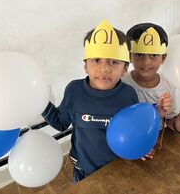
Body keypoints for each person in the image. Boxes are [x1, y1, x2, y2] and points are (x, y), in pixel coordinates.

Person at [41, 20, 139, 183]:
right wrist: (40, 102)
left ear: (125, 69)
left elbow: (133, 132)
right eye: (96, 60)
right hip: (82, 171)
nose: (104, 68)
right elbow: (60, 123)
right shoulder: (74, 91)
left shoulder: (128, 96)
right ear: (86, 65)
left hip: (117, 171)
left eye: (113, 62)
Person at [122, 23, 180, 136]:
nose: (146, 62)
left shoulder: (168, 86)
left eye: (154, 55)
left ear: (163, 58)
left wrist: (177, 124)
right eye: (139, 55)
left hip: (158, 142)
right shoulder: (121, 84)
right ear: (130, 56)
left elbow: (168, 119)